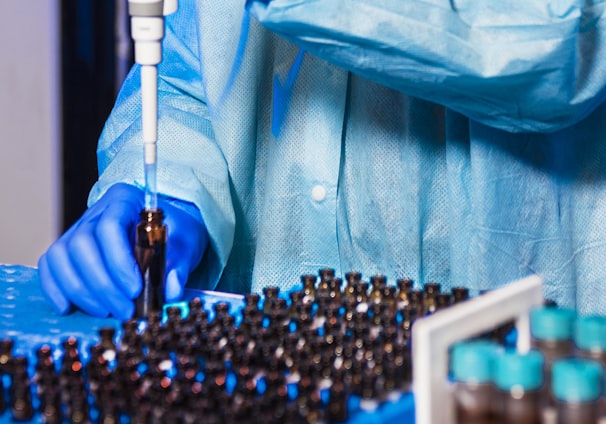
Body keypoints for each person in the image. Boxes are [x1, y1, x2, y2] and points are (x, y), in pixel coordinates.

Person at [38, 0, 606, 320]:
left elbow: (560, 44)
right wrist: (166, 187)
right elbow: (188, 72)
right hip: (267, 360)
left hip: (508, 358)